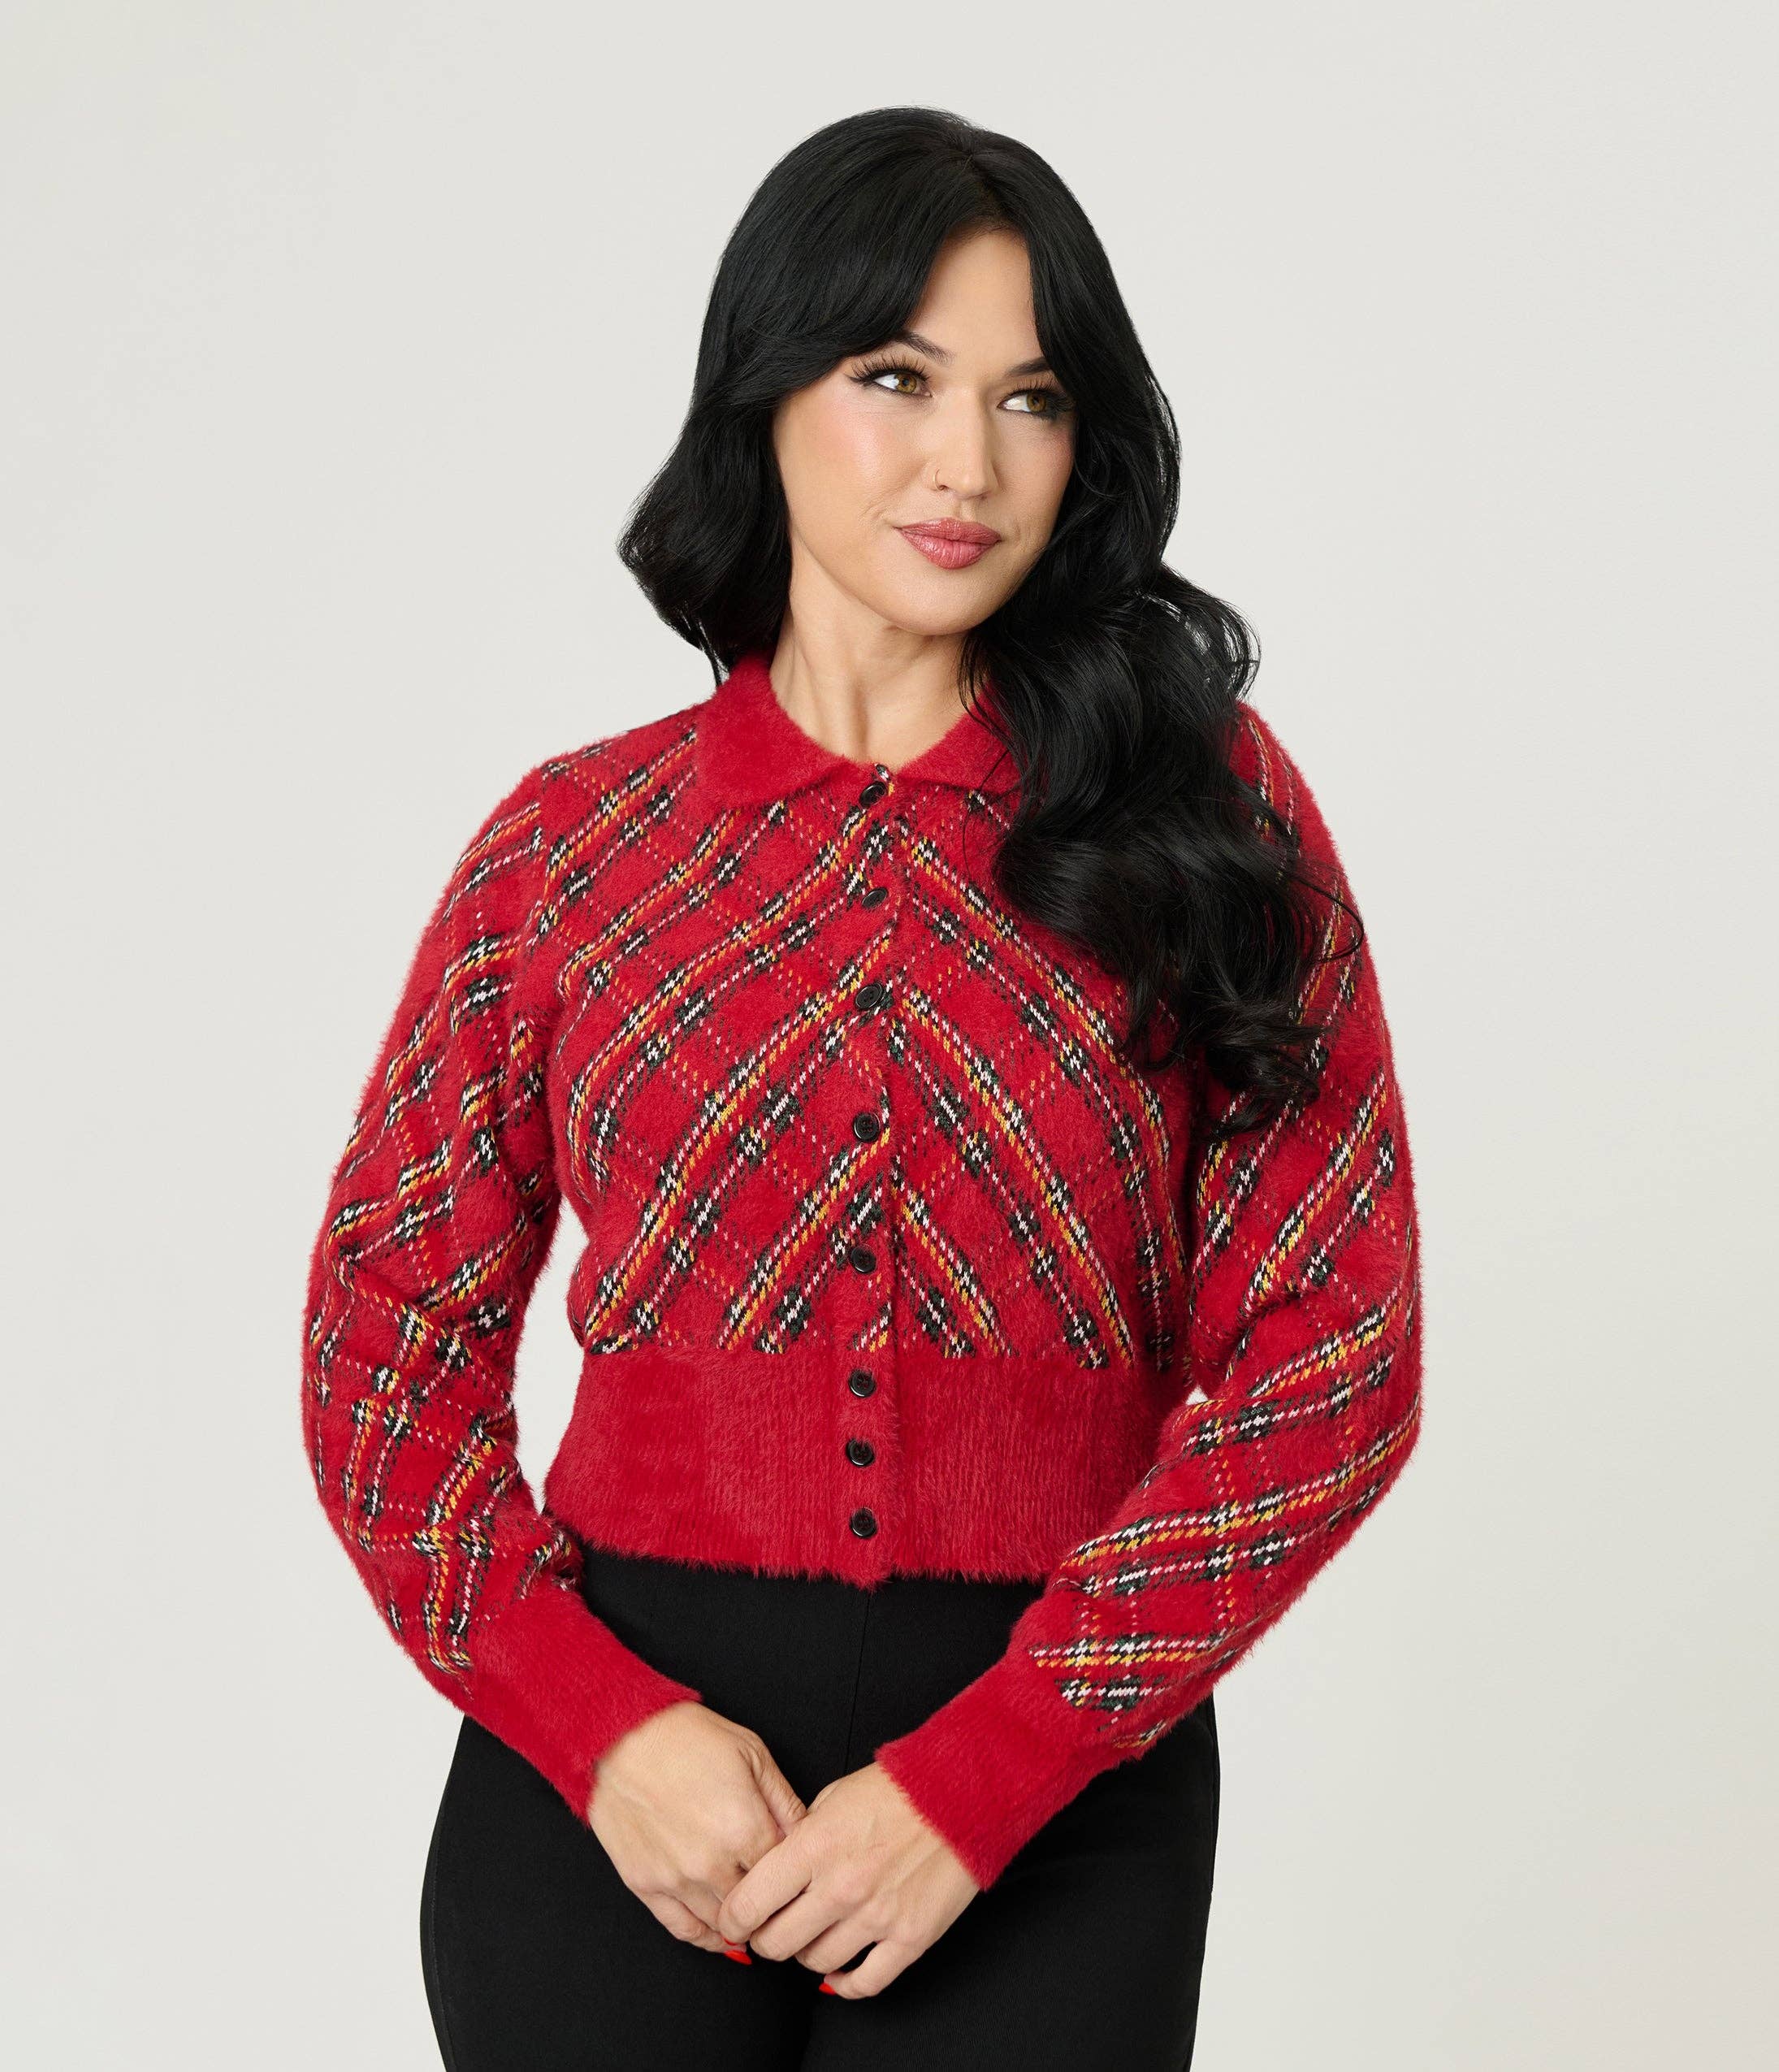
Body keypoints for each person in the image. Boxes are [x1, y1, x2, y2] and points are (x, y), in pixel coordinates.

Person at [300, 104, 1424, 2072]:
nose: (965, 463)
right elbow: (383, 1339)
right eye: (896, 376)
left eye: (1030, 398)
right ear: (766, 391)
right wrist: (596, 1726)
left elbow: (1335, 1357)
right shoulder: (569, 852)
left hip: (1058, 1794)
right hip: (618, 1804)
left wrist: (993, 1772)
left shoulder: (1205, 819)